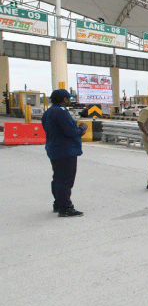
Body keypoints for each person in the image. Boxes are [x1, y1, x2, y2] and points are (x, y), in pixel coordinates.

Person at [41, 89, 87, 217]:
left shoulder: (48, 112)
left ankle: (58, 204)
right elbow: (70, 131)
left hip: (54, 148)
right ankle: (65, 208)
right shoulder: (61, 112)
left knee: (57, 178)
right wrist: (82, 128)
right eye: (68, 98)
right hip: (66, 150)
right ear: (64, 99)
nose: (69, 101)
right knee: (65, 180)